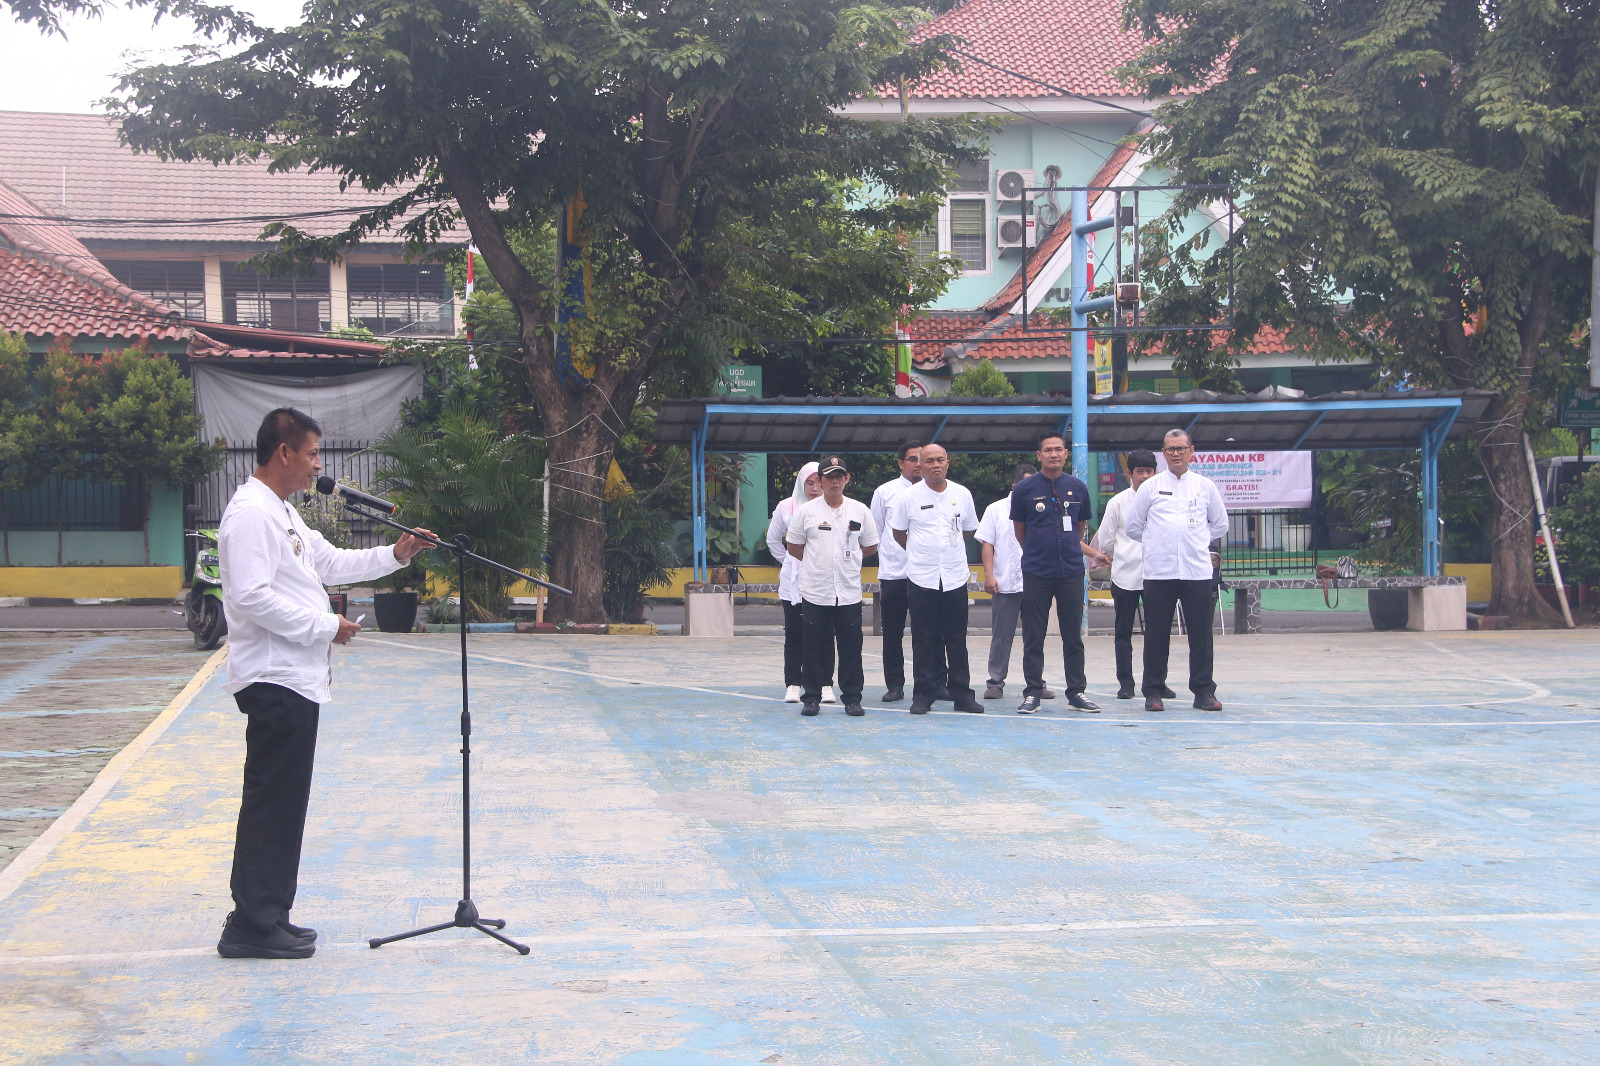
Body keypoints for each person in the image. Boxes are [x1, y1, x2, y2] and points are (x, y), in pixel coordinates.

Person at [216, 407, 432, 960]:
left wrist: (396, 553)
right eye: (312, 454)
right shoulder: (249, 515)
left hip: (297, 678)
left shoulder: (282, 514)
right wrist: (325, 625)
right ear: (284, 452)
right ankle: (250, 923)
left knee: (287, 802)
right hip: (273, 676)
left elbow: (329, 562)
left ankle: (270, 914)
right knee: (271, 800)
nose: (318, 465)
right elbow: (250, 597)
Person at [1126, 428, 1230, 713]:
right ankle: (1153, 692)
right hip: (1159, 572)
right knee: (1157, 634)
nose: (1176, 453)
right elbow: (1134, 527)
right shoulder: (1150, 487)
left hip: (1196, 571)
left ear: (1191, 451)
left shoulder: (1204, 486)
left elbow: (1220, 525)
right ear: (1164, 453)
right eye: (1170, 449)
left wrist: (1196, 539)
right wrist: (1157, 541)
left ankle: (1203, 691)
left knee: (1201, 635)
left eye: (1181, 448)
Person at [1010, 433, 1111, 715]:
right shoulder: (1025, 490)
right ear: (1039, 455)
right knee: (1033, 635)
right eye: (1047, 450)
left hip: (1069, 572)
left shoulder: (1077, 488)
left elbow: (1079, 529)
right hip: (1036, 571)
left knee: (1072, 636)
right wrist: (1038, 551)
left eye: (1058, 449)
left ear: (1066, 453)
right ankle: (1032, 692)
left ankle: (1076, 692)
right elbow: (1020, 532)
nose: (1053, 454)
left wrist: (1069, 551)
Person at [890, 442, 982, 715]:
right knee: (924, 638)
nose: (935, 465)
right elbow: (899, 533)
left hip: (954, 576)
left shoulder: (962, 494)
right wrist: (922, 552)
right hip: (922, 577)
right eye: (929, 461)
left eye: (940, 459)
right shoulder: (909, 497)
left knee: (956, 638)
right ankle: (923, 694)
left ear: (948, 462)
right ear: (920, 465)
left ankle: (962, 694)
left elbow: (967, 530)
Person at [785, 456, 879, 717]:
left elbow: (871, 545)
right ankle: (812, 697)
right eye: (829, 477)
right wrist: (818, 563)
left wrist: (845, 561)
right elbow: (794, 546)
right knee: (814, 645)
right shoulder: (806, 512)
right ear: (821, 481)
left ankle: (852, 698)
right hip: (816, 589)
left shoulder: (860, 510)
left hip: (848, 590)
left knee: (851, 646)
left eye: (840, 476)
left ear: (846, 479)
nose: (835, 481)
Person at [1090, 449, 1175, 702]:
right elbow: (1105, 539)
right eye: (1140, 471)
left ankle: (1158, 682)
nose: (1145, 476)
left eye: (1150, 471)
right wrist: (1123, 554)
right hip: (1125, 575)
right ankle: (1126, 683)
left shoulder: (1165, 500)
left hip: (1158, 575)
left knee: (1158, 632)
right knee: (1123, 632)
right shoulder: (1118, 502)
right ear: (1130, 473)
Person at [977, 462, 1047, 701]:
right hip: (1005, 583)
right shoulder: (995, 509)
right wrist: (989, 576)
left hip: (1036, 582)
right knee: (1001, 636)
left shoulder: (1041, 507)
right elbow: (987, 543)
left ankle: (1036, 683)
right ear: (1015, 485)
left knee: (1035, 635)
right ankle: (995, 682)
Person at [767, 462, 829, 703]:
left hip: (824, 580)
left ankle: (825, 683)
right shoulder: (786, 506)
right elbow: (773, 541)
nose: (814, 488)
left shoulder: (833, 507)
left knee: (824, 634)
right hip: (793, 583)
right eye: (809, 483)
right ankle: (793, 683)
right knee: (795, 635)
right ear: (801, 484)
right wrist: (792, 561)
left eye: (818, 482)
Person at [868, 440, 922, 701]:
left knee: (930, 632)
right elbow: (874, 531)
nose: (918, 464)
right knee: (892, 634)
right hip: (894, 575)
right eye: (912, 459)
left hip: (926, 575)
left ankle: (934, 683)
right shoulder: (885, 492)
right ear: (901, 463)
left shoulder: (936, 491)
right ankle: (895, 685)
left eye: (922, 458)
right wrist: (888, 558)